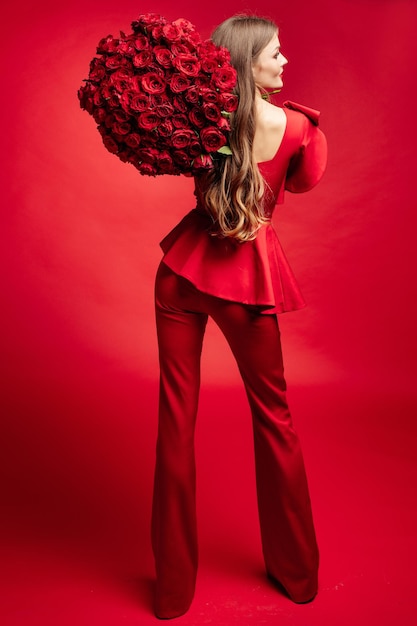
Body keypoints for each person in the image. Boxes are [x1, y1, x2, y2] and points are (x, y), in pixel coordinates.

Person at [151, 14, 327, 620]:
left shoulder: (196, 117)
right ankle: (297, 575)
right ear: (249, 62)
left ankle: (172, 591)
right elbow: (304, 183)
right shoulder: (301, 127)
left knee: (175, 422)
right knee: (274, 419)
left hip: (179, 271)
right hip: (246, 283)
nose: (284, 62)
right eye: (274, 54)